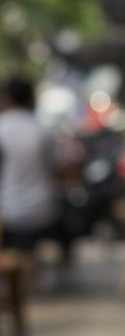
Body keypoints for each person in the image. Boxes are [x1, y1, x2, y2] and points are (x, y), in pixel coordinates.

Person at [0, 76, 60, 253]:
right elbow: (59, 167)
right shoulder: (43, 129)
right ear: (30, 100)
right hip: (43, 211)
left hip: (8, 212)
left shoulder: (2, 127)